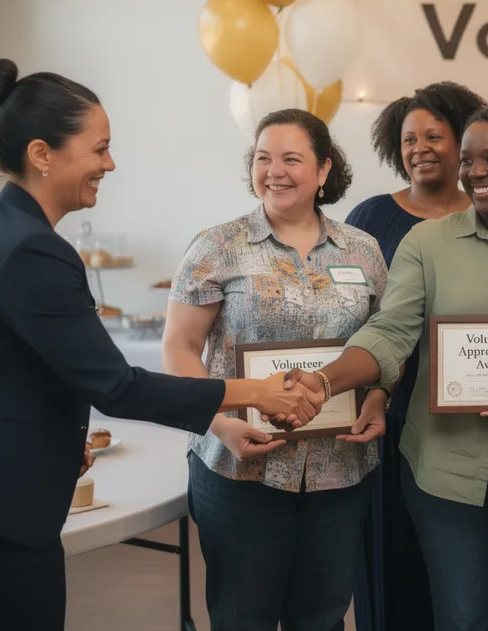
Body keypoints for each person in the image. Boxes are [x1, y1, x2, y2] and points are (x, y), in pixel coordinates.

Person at [0, 59, 324, 628]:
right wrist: (258, 393)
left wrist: (56, 441)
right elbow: (116, 385)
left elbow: (29, 372)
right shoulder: (31, 250)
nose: (110, 163)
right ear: (42, 154)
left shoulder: (6, 231)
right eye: (99, 149)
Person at [272, 105, 488, 631]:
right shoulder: (426, 244)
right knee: (462, 617)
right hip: (443, 470)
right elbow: (389, 333)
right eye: (469, 160)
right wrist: (323, 380)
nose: (475, 172)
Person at [162, 109, 388, 631]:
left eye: (292, 158)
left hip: (339, 468)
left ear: (325, 169)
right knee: (242, 617)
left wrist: (379, 397)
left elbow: (383, 346)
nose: (275, 171)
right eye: (263, 158)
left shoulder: (363, 250)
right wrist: (219, 424)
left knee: (323, 616)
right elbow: (179, 348)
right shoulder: (217, 246)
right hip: (240, 465)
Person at [345, 82, 483, 631]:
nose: (419, 148)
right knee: (391, 556)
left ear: (464, 141)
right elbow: (349, 309)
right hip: (385, 411)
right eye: (408, 139)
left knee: (464, 572)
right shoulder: (372, 217)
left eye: (434, 136)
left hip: (470, 417)